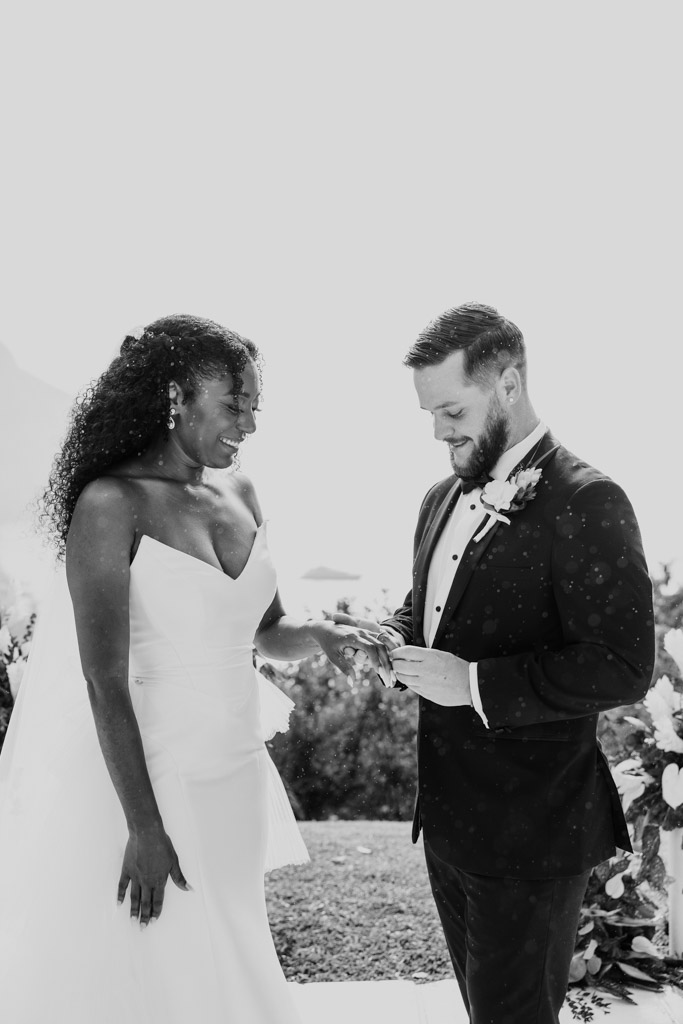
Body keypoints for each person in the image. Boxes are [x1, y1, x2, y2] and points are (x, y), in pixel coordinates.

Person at [0, 314, 387, 1024]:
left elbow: (268, 631)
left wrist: (328, 634)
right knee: (172, 971)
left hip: (235, 776)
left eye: (254, 407)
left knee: (230, 954)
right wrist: (144, 826)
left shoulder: (242, 493)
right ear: (177, 394)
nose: (249, 423)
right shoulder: (110, 506)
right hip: (156, 777)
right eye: (234, 403)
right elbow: (102, 679)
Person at [371, 303, 654, 1023]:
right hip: (447, 823)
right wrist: (384, 639)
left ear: (507, 383)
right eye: (428, 413)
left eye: (450, 408)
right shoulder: (438, 498)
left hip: (532, 829)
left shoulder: (587, 499)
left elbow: (620, 664)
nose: (437, 429)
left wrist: (469, 684)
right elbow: (429, 608)